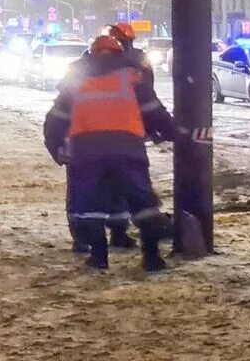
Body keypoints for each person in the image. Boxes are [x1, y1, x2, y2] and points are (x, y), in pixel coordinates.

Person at [43, 33, 178, 271]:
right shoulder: (132, 77)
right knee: (142, 203)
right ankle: (152, 258)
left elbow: (55, 120)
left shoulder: (75, 81)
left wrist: (56, 148)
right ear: (120, 53)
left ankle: (98, 256)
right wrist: (173, 133)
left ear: (91, 54)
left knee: (88, 206)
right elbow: (154, 112)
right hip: (128, 149)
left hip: (85, 152)